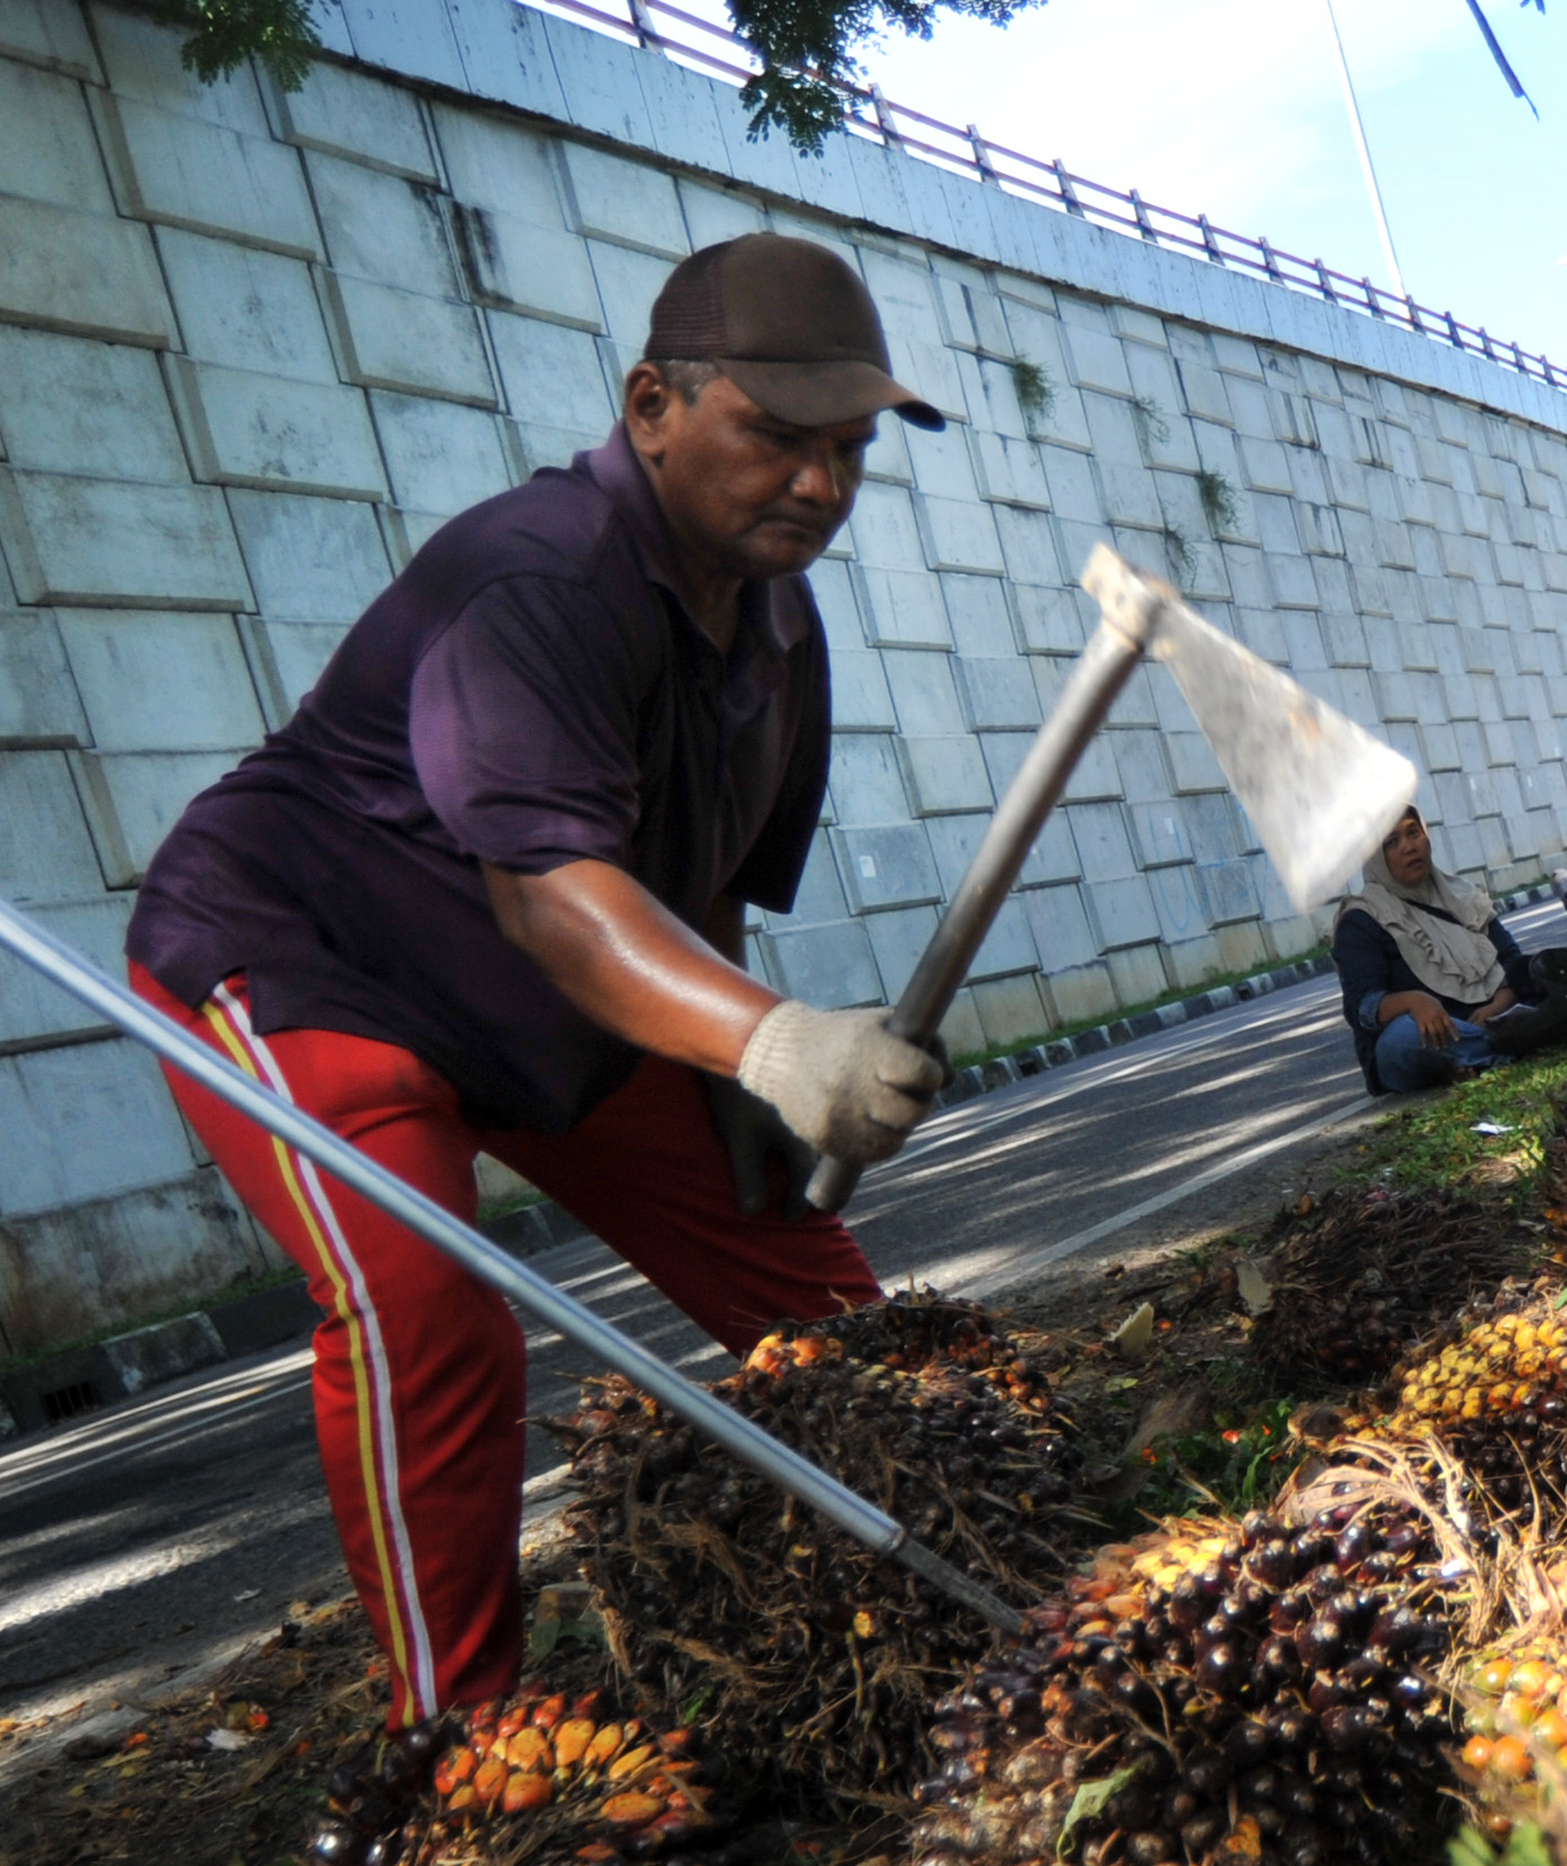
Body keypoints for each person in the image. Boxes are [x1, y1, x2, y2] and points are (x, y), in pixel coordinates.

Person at [122, 234, 949, 1725]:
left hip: (547, 997)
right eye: (776, 437)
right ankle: (461, 1739)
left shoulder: (777, 625)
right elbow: (561, 907)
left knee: (799, 1266)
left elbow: (686, 887)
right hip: (315, 960)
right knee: (423, 1295)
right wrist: (772, 1044)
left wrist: (724, 1067)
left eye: (849, 450)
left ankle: (967, 1536)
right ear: (651, 405)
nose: (820, 486)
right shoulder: (537, 578)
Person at [1336, 808, 1567, 1093]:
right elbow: (1361, 1008)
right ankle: (1526, 1039)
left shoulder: (1462, 896)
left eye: (1413, 832)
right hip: (1425, 1038)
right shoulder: (1361, 919)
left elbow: (1512, 960)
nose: (1409, 846)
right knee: (1401, 1037)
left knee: (1551, 971)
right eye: (1391, 842)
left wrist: (1503, 998)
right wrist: (1415, 1002)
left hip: (1494, 1018)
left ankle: (1478, 1056)